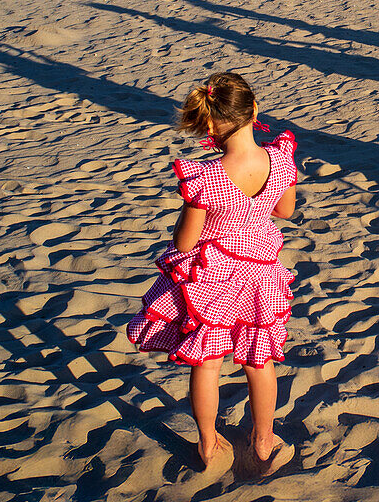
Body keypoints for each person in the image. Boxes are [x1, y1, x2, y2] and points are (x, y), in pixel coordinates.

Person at [127, 73, 297, 480]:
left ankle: (208, 443)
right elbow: (286, 212)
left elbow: (185, 242)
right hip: (261, 274)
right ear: (254, 111)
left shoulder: (207, 177)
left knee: (206, 363)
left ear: (208, 125)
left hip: (213, 278)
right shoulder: (282, 160)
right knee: (260, 361)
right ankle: (264, 441)